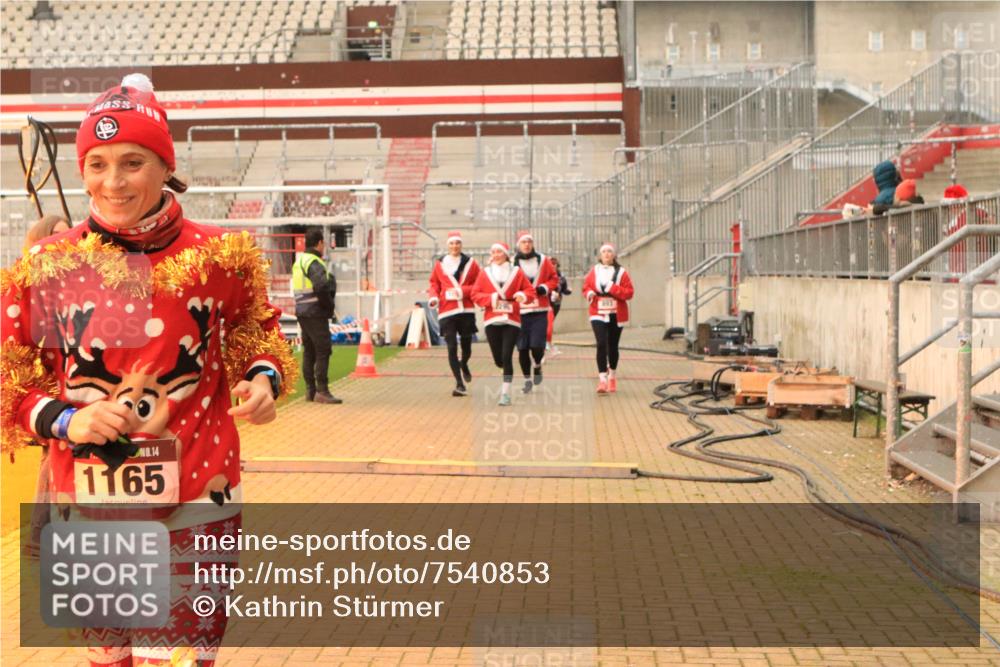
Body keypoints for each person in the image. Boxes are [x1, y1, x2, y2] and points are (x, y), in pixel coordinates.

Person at [1, 73, 297, 666]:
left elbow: (258, 336)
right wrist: (65, 420)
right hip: (86, 499)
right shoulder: (46, 265)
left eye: (133, 162)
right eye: (98, 164)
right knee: (108, 660)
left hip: (199, 492)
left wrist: (264, 380)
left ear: (166, 165)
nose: (113, 182)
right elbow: (9, 372)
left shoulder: (221, 255)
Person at [20, 214, 72, 559]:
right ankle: (41, 534)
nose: (65, 240)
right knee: (52, 460)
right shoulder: (30, 286)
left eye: (68, 233)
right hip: (44, 392)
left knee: (56, 461)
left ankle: (42, 534)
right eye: (56, 235)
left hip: (69, 385)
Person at [472, 242, 536, 406]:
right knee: (498, 359)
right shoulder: (484, 273)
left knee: (507, 356)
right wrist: (490, 299)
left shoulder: (516, 272)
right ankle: (502, 367)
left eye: (499, 252)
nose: (496, 254)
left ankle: (505, 394)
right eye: (493, 252)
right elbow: (475, 294)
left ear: (506, 254)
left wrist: (522, 295)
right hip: (492, 318)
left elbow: (530, 291)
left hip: (511, 319)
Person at [427, 230, 480, 397]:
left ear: (461, 245)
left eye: (457, 243)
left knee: (466, 346)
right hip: (447, 311)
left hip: (466, 309)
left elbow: (480, 284)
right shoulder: (440, 264)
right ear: (447, 245)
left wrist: (462, 291)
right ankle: (459, 383)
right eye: (451, 243)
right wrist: (434, 297)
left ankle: (464, 363)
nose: (454, 246)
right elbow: (434, 284)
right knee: (451, 347)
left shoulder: (471, 263)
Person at [292, 227, 341, 404]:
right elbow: (321, 286)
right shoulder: (314, 262)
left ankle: (310, 391)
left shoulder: (299, 261)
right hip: (315, 312)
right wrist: (329, 306)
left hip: (302, 312)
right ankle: (322, 391)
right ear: (320, 243)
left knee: (309, 351)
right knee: (323, 349)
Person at [583, 243, 635, 394]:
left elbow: (629, 293)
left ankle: (612, 375)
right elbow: (585, 287)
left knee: (612, 346)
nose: (606, 254)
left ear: (614, 255)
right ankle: (602, 380)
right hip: (597, 311)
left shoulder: (622, 273)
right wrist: (590, 294)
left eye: (609, 252)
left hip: (616, 313)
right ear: (600, 255)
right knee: (601, 344)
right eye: (604, 252)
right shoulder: (594, 271)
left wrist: (614, 288)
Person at [511, 231, 558, 394]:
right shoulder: (511, 263)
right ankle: (527, 380)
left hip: (539, 310)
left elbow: (554, 278)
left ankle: (537, 365)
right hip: (519, 312)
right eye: (523, 242)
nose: (527, 244)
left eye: (529, 242)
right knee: (522, 348)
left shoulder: (543, 260)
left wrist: (545, 287)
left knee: (537, 346)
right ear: (518, 244)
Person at [546, 256, 572, 351]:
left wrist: (568, 290)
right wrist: (550, 293)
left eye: (554, 263)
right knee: (547, 323)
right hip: (546, 303)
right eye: (550, 263)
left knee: (550, 323)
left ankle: (547, 341)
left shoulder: (561, 277)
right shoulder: (544, 276)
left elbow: (565, 289)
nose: (552, 265)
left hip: (556, 304)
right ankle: (546, 343)